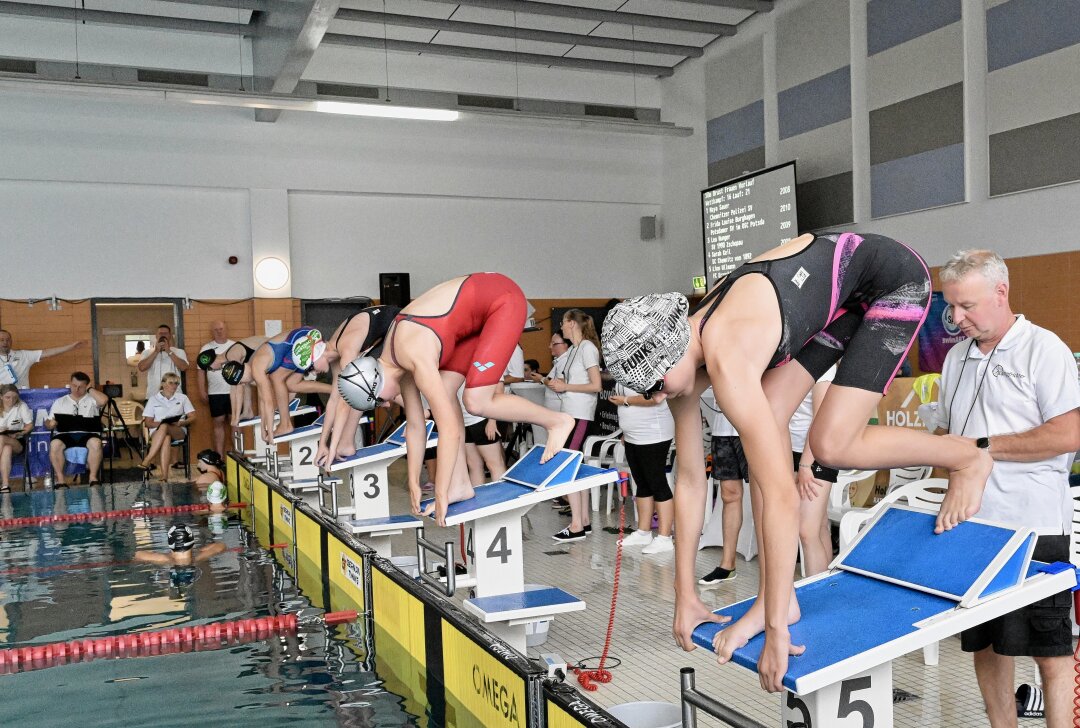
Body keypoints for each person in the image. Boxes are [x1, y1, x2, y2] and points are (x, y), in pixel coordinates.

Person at [601, 231, 993, 693]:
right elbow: (688, 482)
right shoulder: (683, 368)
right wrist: (683, 596)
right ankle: (780, 601)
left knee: (831, 445)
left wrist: (776, 635)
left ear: (671, 349)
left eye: (655, 385)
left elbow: (783, 496)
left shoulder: (728, 352)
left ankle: (968, 455)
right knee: (764, 438)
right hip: (839, 300)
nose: (655, 396)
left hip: (891, 281)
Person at [935, 250, 1080, 728]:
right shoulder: (956, 358)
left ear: (1002, 293)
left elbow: (1068, 434)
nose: (956, 319)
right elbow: (946, 433)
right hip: (973, 527)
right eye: (951, 307)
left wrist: (981, 448)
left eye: (967, 306)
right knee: (987, 646)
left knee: (1050, 653)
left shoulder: (1044, 349)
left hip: (1033, 527)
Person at [337, 273, 575, 526]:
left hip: (502, 298)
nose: (385, 404)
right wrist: (413, 481)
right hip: (474, 318)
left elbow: (449, 429)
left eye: (379, 401)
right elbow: (416, 427)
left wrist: (439, 491)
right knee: (448, 392)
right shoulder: (396, 363)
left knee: (476, 401)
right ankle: (460, 485)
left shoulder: (414, 354)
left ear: (377, 383)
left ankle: (556, 421)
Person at [311, 305, 400, 466]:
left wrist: (333, 448)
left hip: (400, 322)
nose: (313, 373)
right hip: (386, 325)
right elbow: (333, 401)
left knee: (360, 388)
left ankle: (345, 444)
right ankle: (345, 443)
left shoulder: (346, 350)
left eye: (311, 367)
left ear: (318, 354)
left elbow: (345, 404)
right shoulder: (335, 352)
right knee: (359, 388)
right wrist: (322, 443)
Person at [548, 309, 602, 542]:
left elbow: (596, 385)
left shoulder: (588, 348)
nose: (561, 327)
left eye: (563, 323)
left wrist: (566, 387)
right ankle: (584, 521)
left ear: (571, 323)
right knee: (575, 468)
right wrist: (559, 384)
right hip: (569, 412)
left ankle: (577, 524)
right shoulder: (574, 350)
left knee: (568, 465)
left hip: (580, 413)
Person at [227, 327, 332, 443]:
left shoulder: (257, 369)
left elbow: (269, 403)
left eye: (241, 382)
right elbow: (263, 401)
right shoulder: (254, 366)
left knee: (277, 378)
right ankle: (334, 390)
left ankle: (285, 424)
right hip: (297, 341)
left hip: (300, 339)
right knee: (292, 384)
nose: (244, 384)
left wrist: (270, 433)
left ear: (241, 375)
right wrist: (263, 429)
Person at [610, 380, 675, 553]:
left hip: (653, 432)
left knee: (656, 482)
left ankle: (664, 537)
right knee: (641, 482)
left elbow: (657, 397)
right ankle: (643, 531)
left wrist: (625, 400)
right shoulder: (623, 367)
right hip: (633, 434)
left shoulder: (651, 366)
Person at [791, 366, 840, 577]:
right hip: (792, 449)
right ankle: (826, 587)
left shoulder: (824, 366)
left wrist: (805, 464)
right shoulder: (789, 360)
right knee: (818, 526)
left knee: (806, 530)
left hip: (816, 452)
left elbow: (821, 418)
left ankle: (815, 592)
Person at [698, 402, 747, 585]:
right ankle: (727, 565)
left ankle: (772, 571)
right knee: (729, 494)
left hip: (753, 426)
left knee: (764, 497)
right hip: (722, 429)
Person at [46, 371, 109, 486]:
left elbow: (104, 400)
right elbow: (48, 422)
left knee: (96, 443)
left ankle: (93, 478)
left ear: (86, 386)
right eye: (74, 385)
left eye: (81, 387)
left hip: (88, 434)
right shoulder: (60, 401)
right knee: (54, 444)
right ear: (70, 384)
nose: (77, 389)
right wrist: (51, 424)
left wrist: (90, 390)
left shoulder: (92, 399)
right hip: (65, 434)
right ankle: (60, 480)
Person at [138, 372, 196, 482]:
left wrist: (181, 423)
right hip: (158, 432)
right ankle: (164, 476)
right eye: (171, 383)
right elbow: (148, 423)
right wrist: (161, 424)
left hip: (178, 430)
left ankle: (148, 459)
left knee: (165, 426)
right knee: (166, 437)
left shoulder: (182, 398)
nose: (174, 386)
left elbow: (193, 417)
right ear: (163, 384)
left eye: (176, 383)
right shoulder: (153, 399)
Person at [196, 321, 235, 456]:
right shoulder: (206, 348)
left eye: (221, 329)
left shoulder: (235, 346)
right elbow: (200, 371)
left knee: (235, 422)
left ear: (226, 329)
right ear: (212, 332)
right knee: (218, 423)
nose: (219, 331)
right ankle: (219, 457)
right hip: (215, 393)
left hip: (235, 392)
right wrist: (202, 390)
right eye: (216, 329)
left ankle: (239, 455)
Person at [0, 329, 85, 388]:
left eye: (8, 340)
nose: (5, 343)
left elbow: (47, 353)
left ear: (11, 341)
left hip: (21, 397)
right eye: (2, 340)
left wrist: (71, 347)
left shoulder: (23, 355)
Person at [458, 383, 507, 485]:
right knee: (473, 465)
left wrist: (492, 420)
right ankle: (478, 498)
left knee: (494, 463)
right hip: (464, 421)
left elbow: (498, 392)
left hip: (483, 419)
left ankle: (502, 497)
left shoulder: (488, 366)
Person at [133, 524, 226, 567]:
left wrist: (167, 556)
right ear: (192, 542)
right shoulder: (199, 557)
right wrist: (201, 550)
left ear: (170, 543)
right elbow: (221, 545)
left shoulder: (164, 559)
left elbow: (138, 554)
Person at [137, 324, 189, 400]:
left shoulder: (179, 352)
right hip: (153, 396)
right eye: (160, 333)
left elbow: (184, 367)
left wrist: (169, 351)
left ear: (170, 336)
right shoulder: (147, 352)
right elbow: (142, 368)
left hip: (175, 396)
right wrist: (156, 352)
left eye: (165, 333)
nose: (163, 335)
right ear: (156, 336)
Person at [0, 385, 33, 492]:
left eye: (14, 397)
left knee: (1, 438)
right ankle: (5, 485)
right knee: (6, 448)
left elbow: (29, 425)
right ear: (1, 397)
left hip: (17, 441)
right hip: (4, 444)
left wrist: (19, 433)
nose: (11, 400)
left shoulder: (21, 406)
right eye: (8, 397)